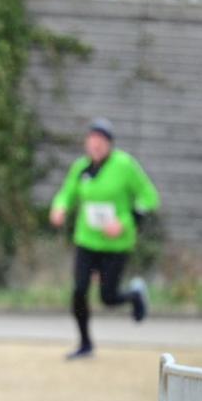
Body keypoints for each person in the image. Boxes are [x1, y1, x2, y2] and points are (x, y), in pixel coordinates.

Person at [49, 118, 159, 360]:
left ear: (110, 144)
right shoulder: (81, 168)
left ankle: (135, 295)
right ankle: (85, 344)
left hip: (116, 244)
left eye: (101, 140)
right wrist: (59, 208)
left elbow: (149, 197)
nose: (96, 145)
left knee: (108, 297)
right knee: (79, 290)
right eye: (92, 140)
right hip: (87, 240)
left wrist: (124, 222)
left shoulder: (124, 165)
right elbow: (66, 193)